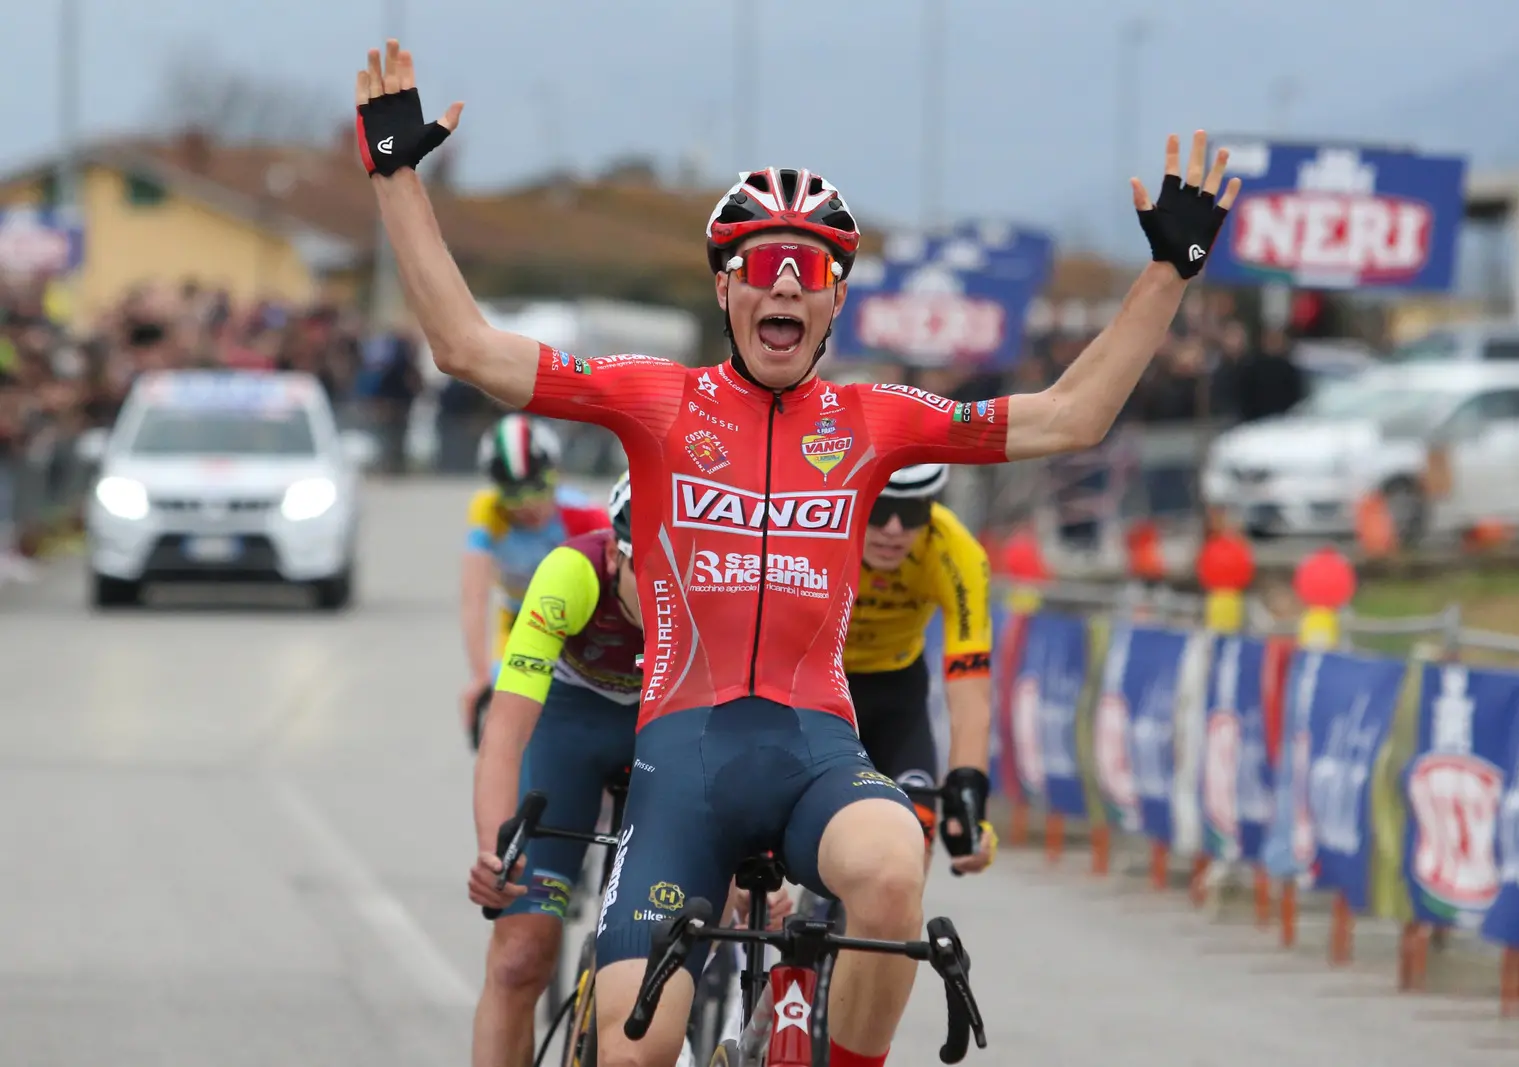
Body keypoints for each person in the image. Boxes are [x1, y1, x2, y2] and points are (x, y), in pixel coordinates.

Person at [356, 38, 1238, 1067]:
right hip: (681, 763)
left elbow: (1071, 416)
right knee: (635, 1046)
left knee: (896, 866)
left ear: (834, 300)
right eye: (760, 270)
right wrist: (397, 177)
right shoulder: (657, 399)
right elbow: (465, 346)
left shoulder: (876, 418)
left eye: (809, 272)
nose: (784, 288)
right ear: (725, 292)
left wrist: (1168, 271)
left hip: (818, 750)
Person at [465, 470, 645, 1067]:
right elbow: (506, 734)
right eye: (653, 572)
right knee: (519, 958)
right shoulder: (571, 572)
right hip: (568, 722)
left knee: (667, 947)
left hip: (662, 730)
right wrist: (496, 851)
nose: (672, 591)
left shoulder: (713, 585)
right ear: (617, 552)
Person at [845, 463, 998, 873]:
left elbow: (971, 692)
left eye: (912, 512)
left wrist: (969, 795)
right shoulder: (815, 529)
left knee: (915, 836)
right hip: (813, 687)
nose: (893, 528)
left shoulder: (955, 551)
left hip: (896, 691)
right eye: (878, 508)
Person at [461, 412, 609, 744]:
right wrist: (480, 676)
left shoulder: (587, 517)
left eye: (538, 488)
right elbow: (474, 598)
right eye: (513, 494)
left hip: (580, 629)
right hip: (518, 621)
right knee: (506, 712)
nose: (528, 504)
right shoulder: (487, 511)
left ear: (557, 475)